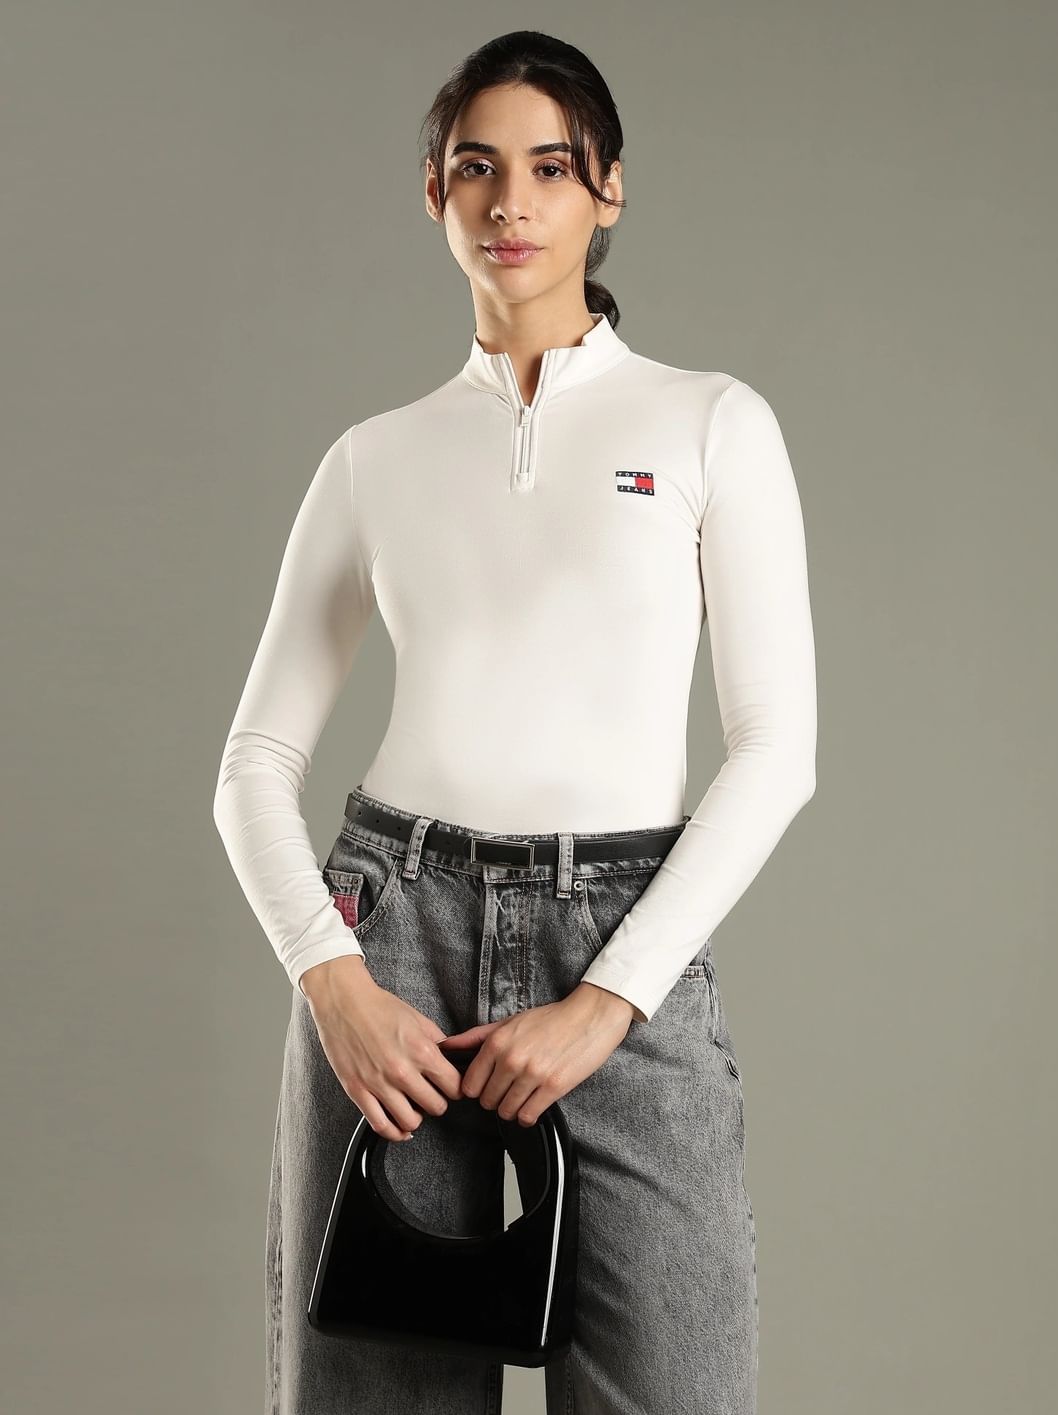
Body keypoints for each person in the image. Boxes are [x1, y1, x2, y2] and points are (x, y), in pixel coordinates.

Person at [212, 29, 816, 1415]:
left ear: (609, 190)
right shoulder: (374, 458)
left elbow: (776, 750)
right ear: (434, 192)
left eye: (550, 167)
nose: (510, 202)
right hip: (390, 942)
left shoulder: (710, 423)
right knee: (370, 1389)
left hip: (621, 934)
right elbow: (251, 765)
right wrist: (332, 981)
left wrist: (608, 1003)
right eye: (476, 168)